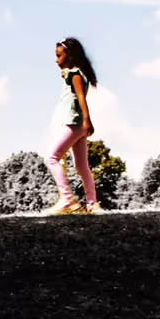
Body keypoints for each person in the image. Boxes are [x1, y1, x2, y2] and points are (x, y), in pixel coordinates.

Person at [45, 38, 102, 215]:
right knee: (81, 165)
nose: (56, 59)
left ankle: (67, 198)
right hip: (78, 123)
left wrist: (87, 120)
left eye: (59, 56)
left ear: (69, 56)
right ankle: (92, 203)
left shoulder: (75, 75)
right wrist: (64, 69)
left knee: (51, 158)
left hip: (74, 123)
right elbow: (64, 72)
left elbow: (80, 97)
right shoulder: (74, 73)